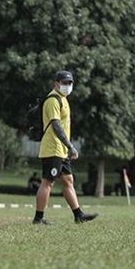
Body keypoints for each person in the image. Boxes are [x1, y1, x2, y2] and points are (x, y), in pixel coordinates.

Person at [33, 70, 98, 225]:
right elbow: (56, 125)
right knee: (47, 182)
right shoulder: (53, 100)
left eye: (70, 83)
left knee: (68, 180)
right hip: (53, 148)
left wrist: (66, 147)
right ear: (56, 83)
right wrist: (70, 146)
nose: (67, 86)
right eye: (64, 83)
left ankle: (78, 215)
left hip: (60, 149)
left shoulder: (63, 99)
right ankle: (38, 218)